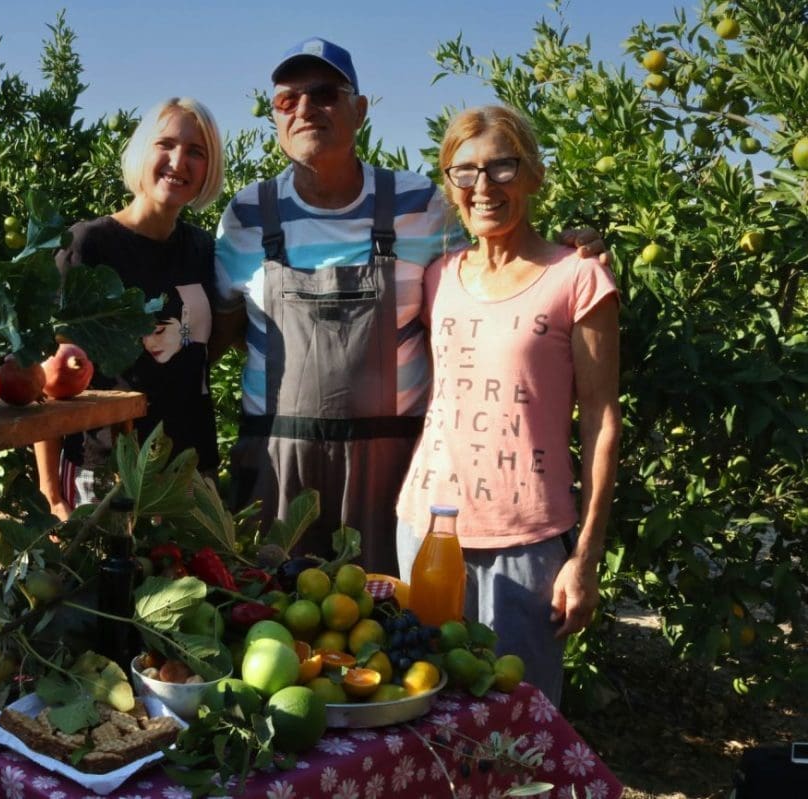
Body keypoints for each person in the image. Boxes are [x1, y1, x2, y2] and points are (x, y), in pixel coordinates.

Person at [212, 37, 605, 574]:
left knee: (391, 632)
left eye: (325, 93)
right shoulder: (246, 215)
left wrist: (565, 253)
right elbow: (226, 329)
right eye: (287, 100)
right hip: (278, 466)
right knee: (268, 623)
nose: (305, 109)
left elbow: (493, 267)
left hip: (393, 470)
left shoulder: (421, 205)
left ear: (360, 110)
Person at [394, 105, 621, 704]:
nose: (484, 186)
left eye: (501, 166)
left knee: (519, 728)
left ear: (533, 175)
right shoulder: (436, 276)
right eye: (464, 172)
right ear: (450, 186)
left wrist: (586, 558)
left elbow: (601, 422)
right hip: (425, 529)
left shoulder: (579, 277)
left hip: (526, 542)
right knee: (425, 716)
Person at [37, 98, 224, 518]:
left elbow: (203, 350)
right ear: (143, 151)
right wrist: (50, 493)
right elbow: (47, 375)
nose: (180, 160)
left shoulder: (204, 250)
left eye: (197, 152)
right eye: (167, 144)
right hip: (106, 469)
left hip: (190, 466)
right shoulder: (88, 245)